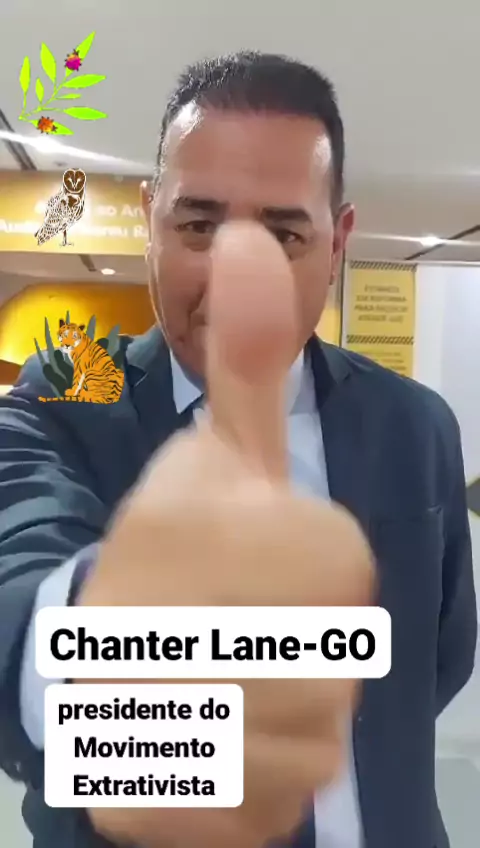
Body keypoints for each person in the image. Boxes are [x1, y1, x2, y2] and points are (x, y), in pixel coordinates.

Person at [0, 50, 476, 848]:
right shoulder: (65, 395)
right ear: (150, 220)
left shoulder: (416, 425)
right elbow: (15, 570)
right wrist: (116, 661)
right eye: (199, 225)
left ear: (338, 241)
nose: (236, 274)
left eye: (284, 232)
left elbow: (437, 660)